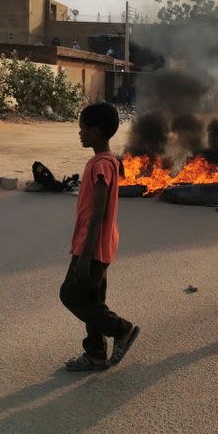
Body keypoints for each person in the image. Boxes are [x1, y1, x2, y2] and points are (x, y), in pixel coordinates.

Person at [59, 102, 140, 370]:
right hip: (100, 243)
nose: (80, 131)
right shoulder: (107, 161)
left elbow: (98, 212)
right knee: (92, 299)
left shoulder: (101, 165)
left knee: (71, 295)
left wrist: (84, 255)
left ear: (96, 131)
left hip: (92, 245)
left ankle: (121, 330)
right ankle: (95, 353)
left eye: (83, 127)